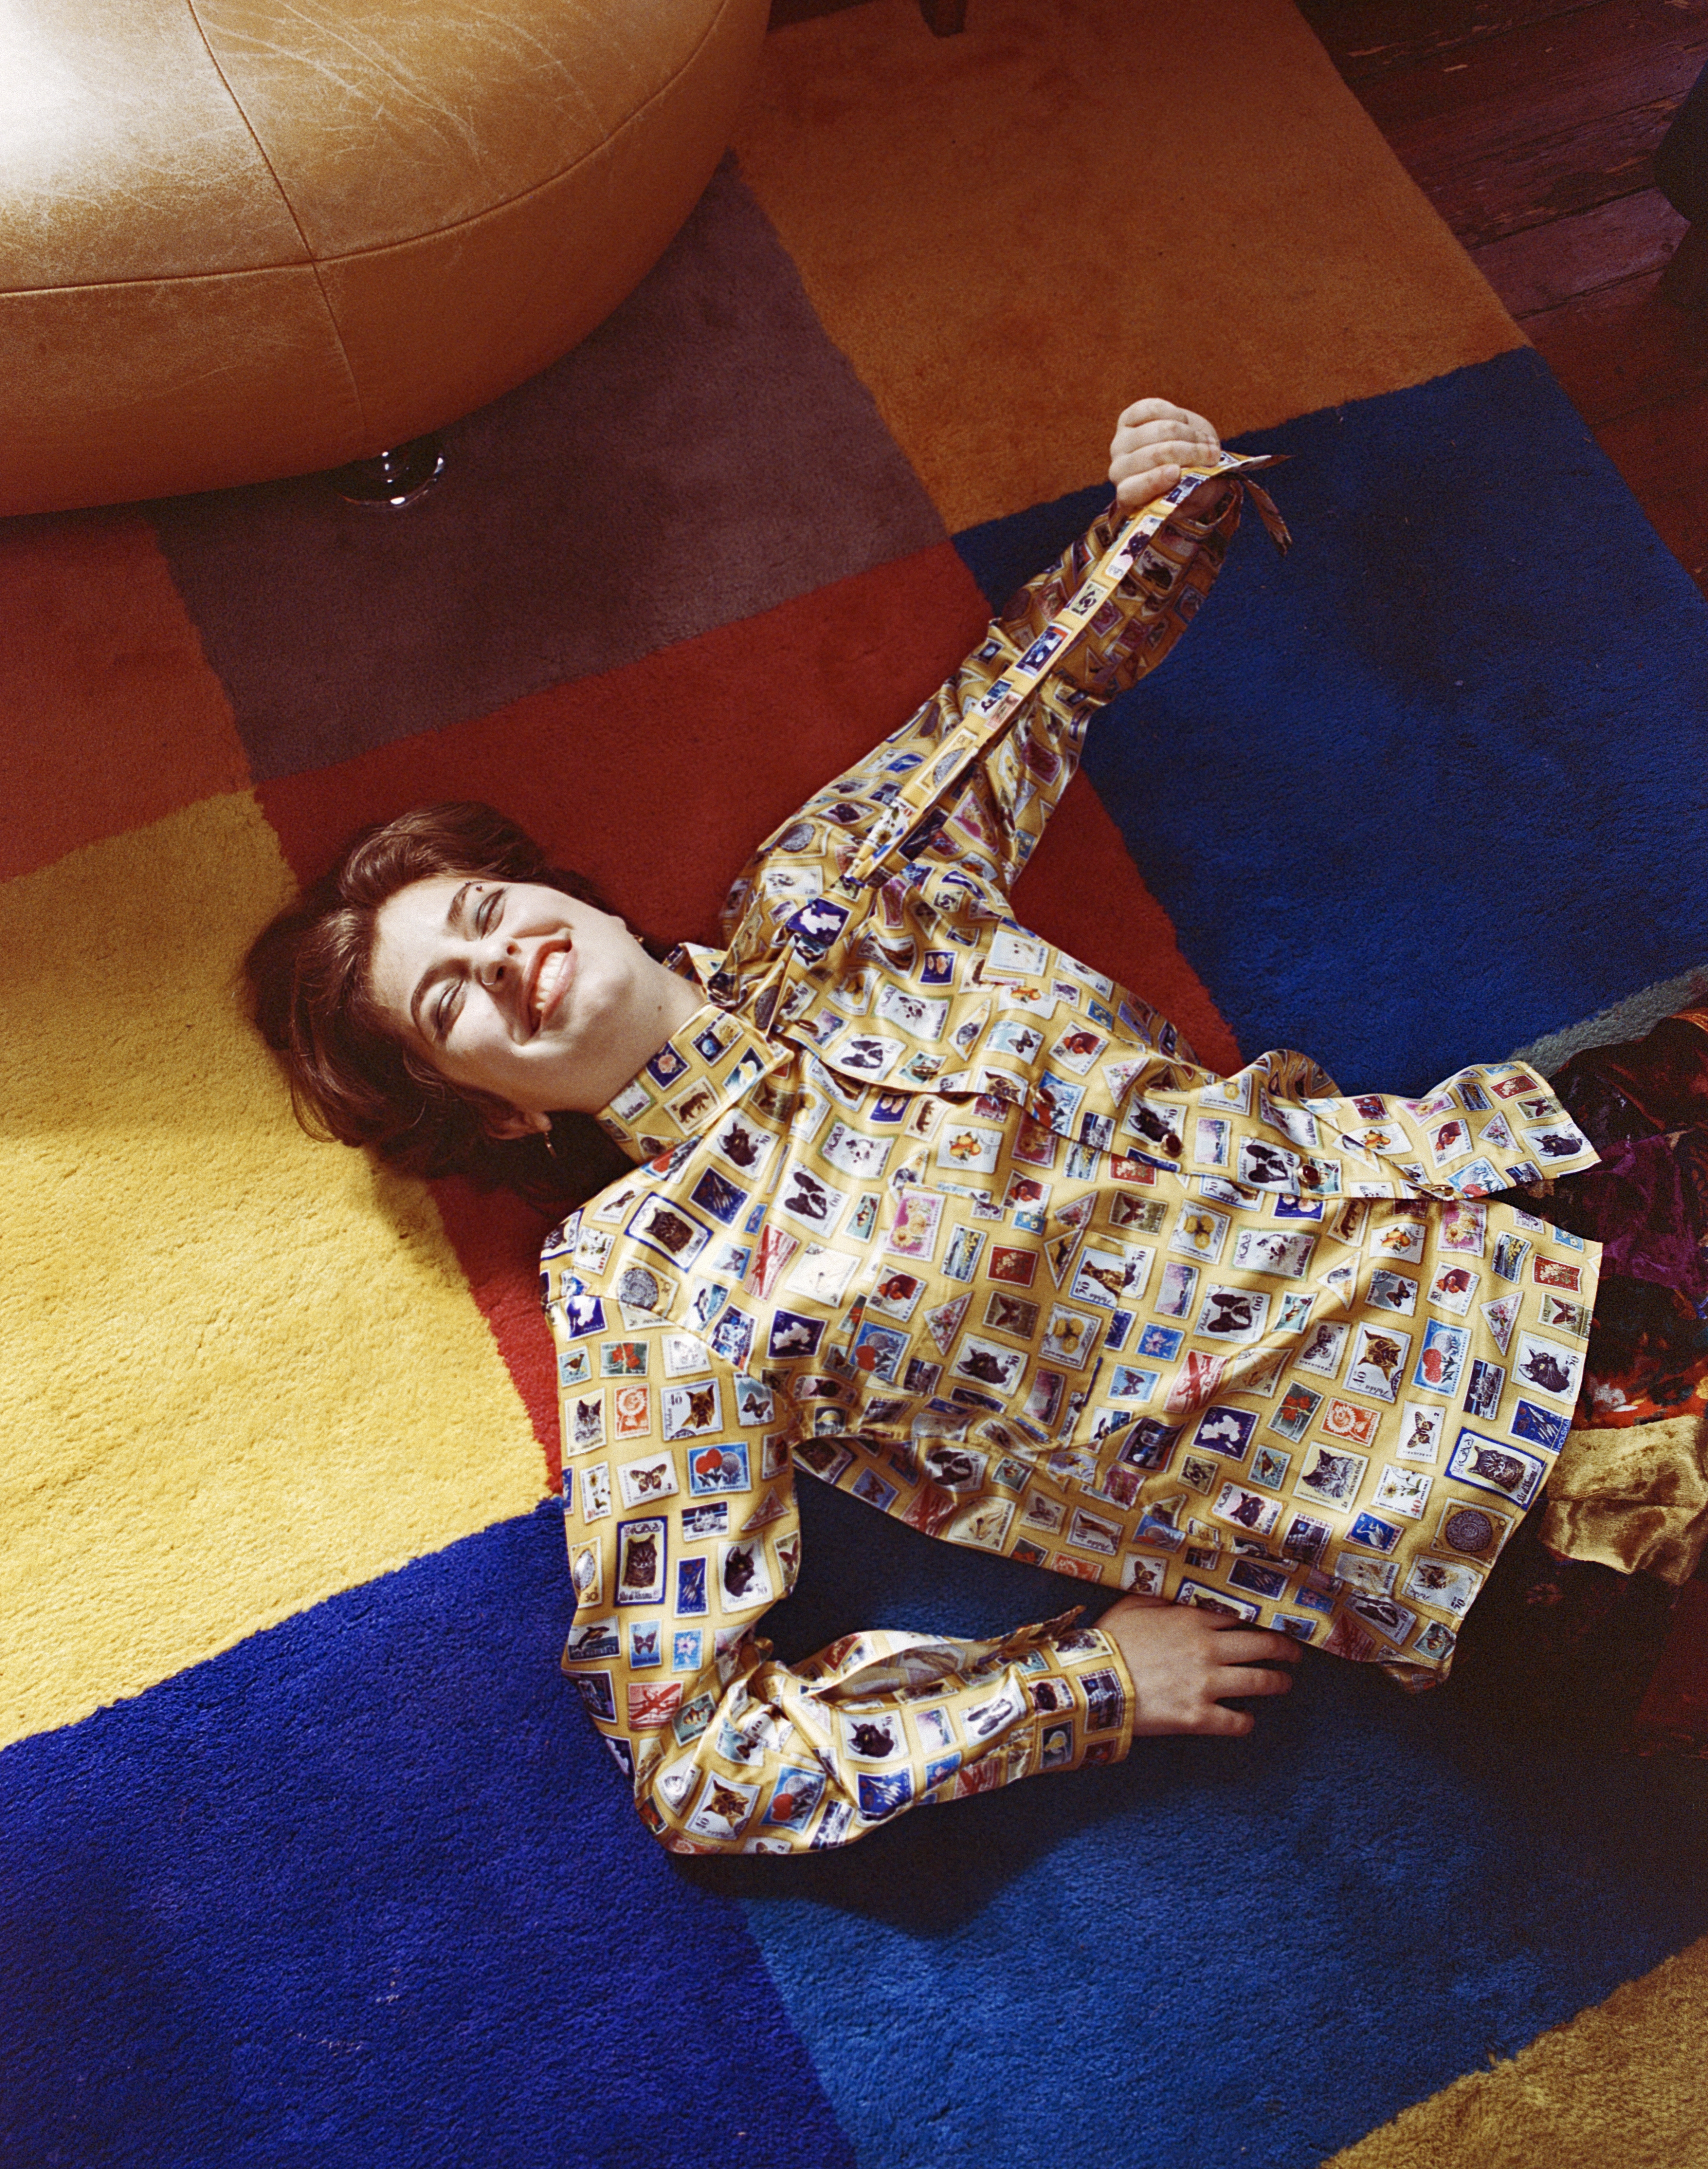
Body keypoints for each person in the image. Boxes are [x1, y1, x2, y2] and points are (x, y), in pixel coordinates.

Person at [249, 399, 1609, 1855]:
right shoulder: (648, 1291)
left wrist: (1163, 492)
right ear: (499, 1112)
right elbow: (695, 1763)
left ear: (560, 891)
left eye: (479, 910)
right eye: (447, 1004)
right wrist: (1079, 1686)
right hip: (1496, 1498)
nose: (495, 955)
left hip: (1533, 1177)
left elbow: (1034, 685)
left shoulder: (834, 897)